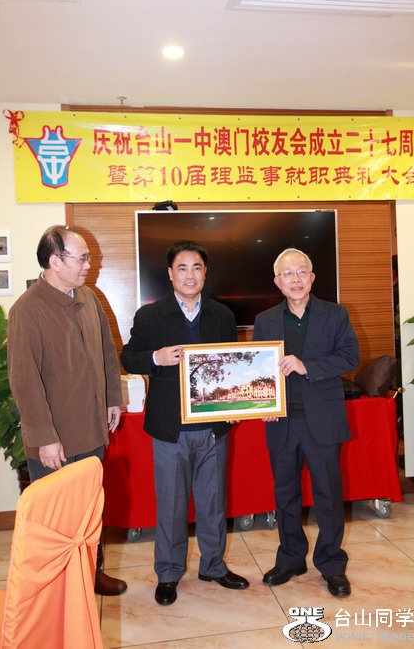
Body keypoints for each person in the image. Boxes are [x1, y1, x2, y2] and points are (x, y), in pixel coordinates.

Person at [121, 240, 249, 606]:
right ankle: (168, 573)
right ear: (170, 274)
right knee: (171, 507)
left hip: (212, 428)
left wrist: (235, 402)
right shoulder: (150, 315)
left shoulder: (222, 315)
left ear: (205, 273)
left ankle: (213, 566)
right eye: (182, 267)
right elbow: (129, 357)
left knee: (213, 504)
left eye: (196, 267)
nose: (190, 275)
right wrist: (156, 358)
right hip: (169, 429)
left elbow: (233, 364)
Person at [7, 225, 127, 596]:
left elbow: (107, 351)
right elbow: (24, 380)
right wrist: (44, 438)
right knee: (56, 518)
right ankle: (57, 588)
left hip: (91, 429)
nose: (89, 265)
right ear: (55, 261)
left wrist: (112, 398)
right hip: (54, 439)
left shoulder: (88, 297)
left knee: (90, 509)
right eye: (82, 258)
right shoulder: (27, 309)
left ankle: (92, 572)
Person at [252, 247, 359, 598]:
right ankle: (291, 558)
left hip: (322, 420)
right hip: (281, 421)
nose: (295, 279)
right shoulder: (266, 319)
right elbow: (260, 368)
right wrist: (264, 402)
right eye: (288, 273)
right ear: (277, 282)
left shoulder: (335, 314)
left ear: (312, 278)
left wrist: (306, 366)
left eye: (301, 272)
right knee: (285, 495)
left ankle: (332, 565)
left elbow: (350, 357)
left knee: (328, 496)